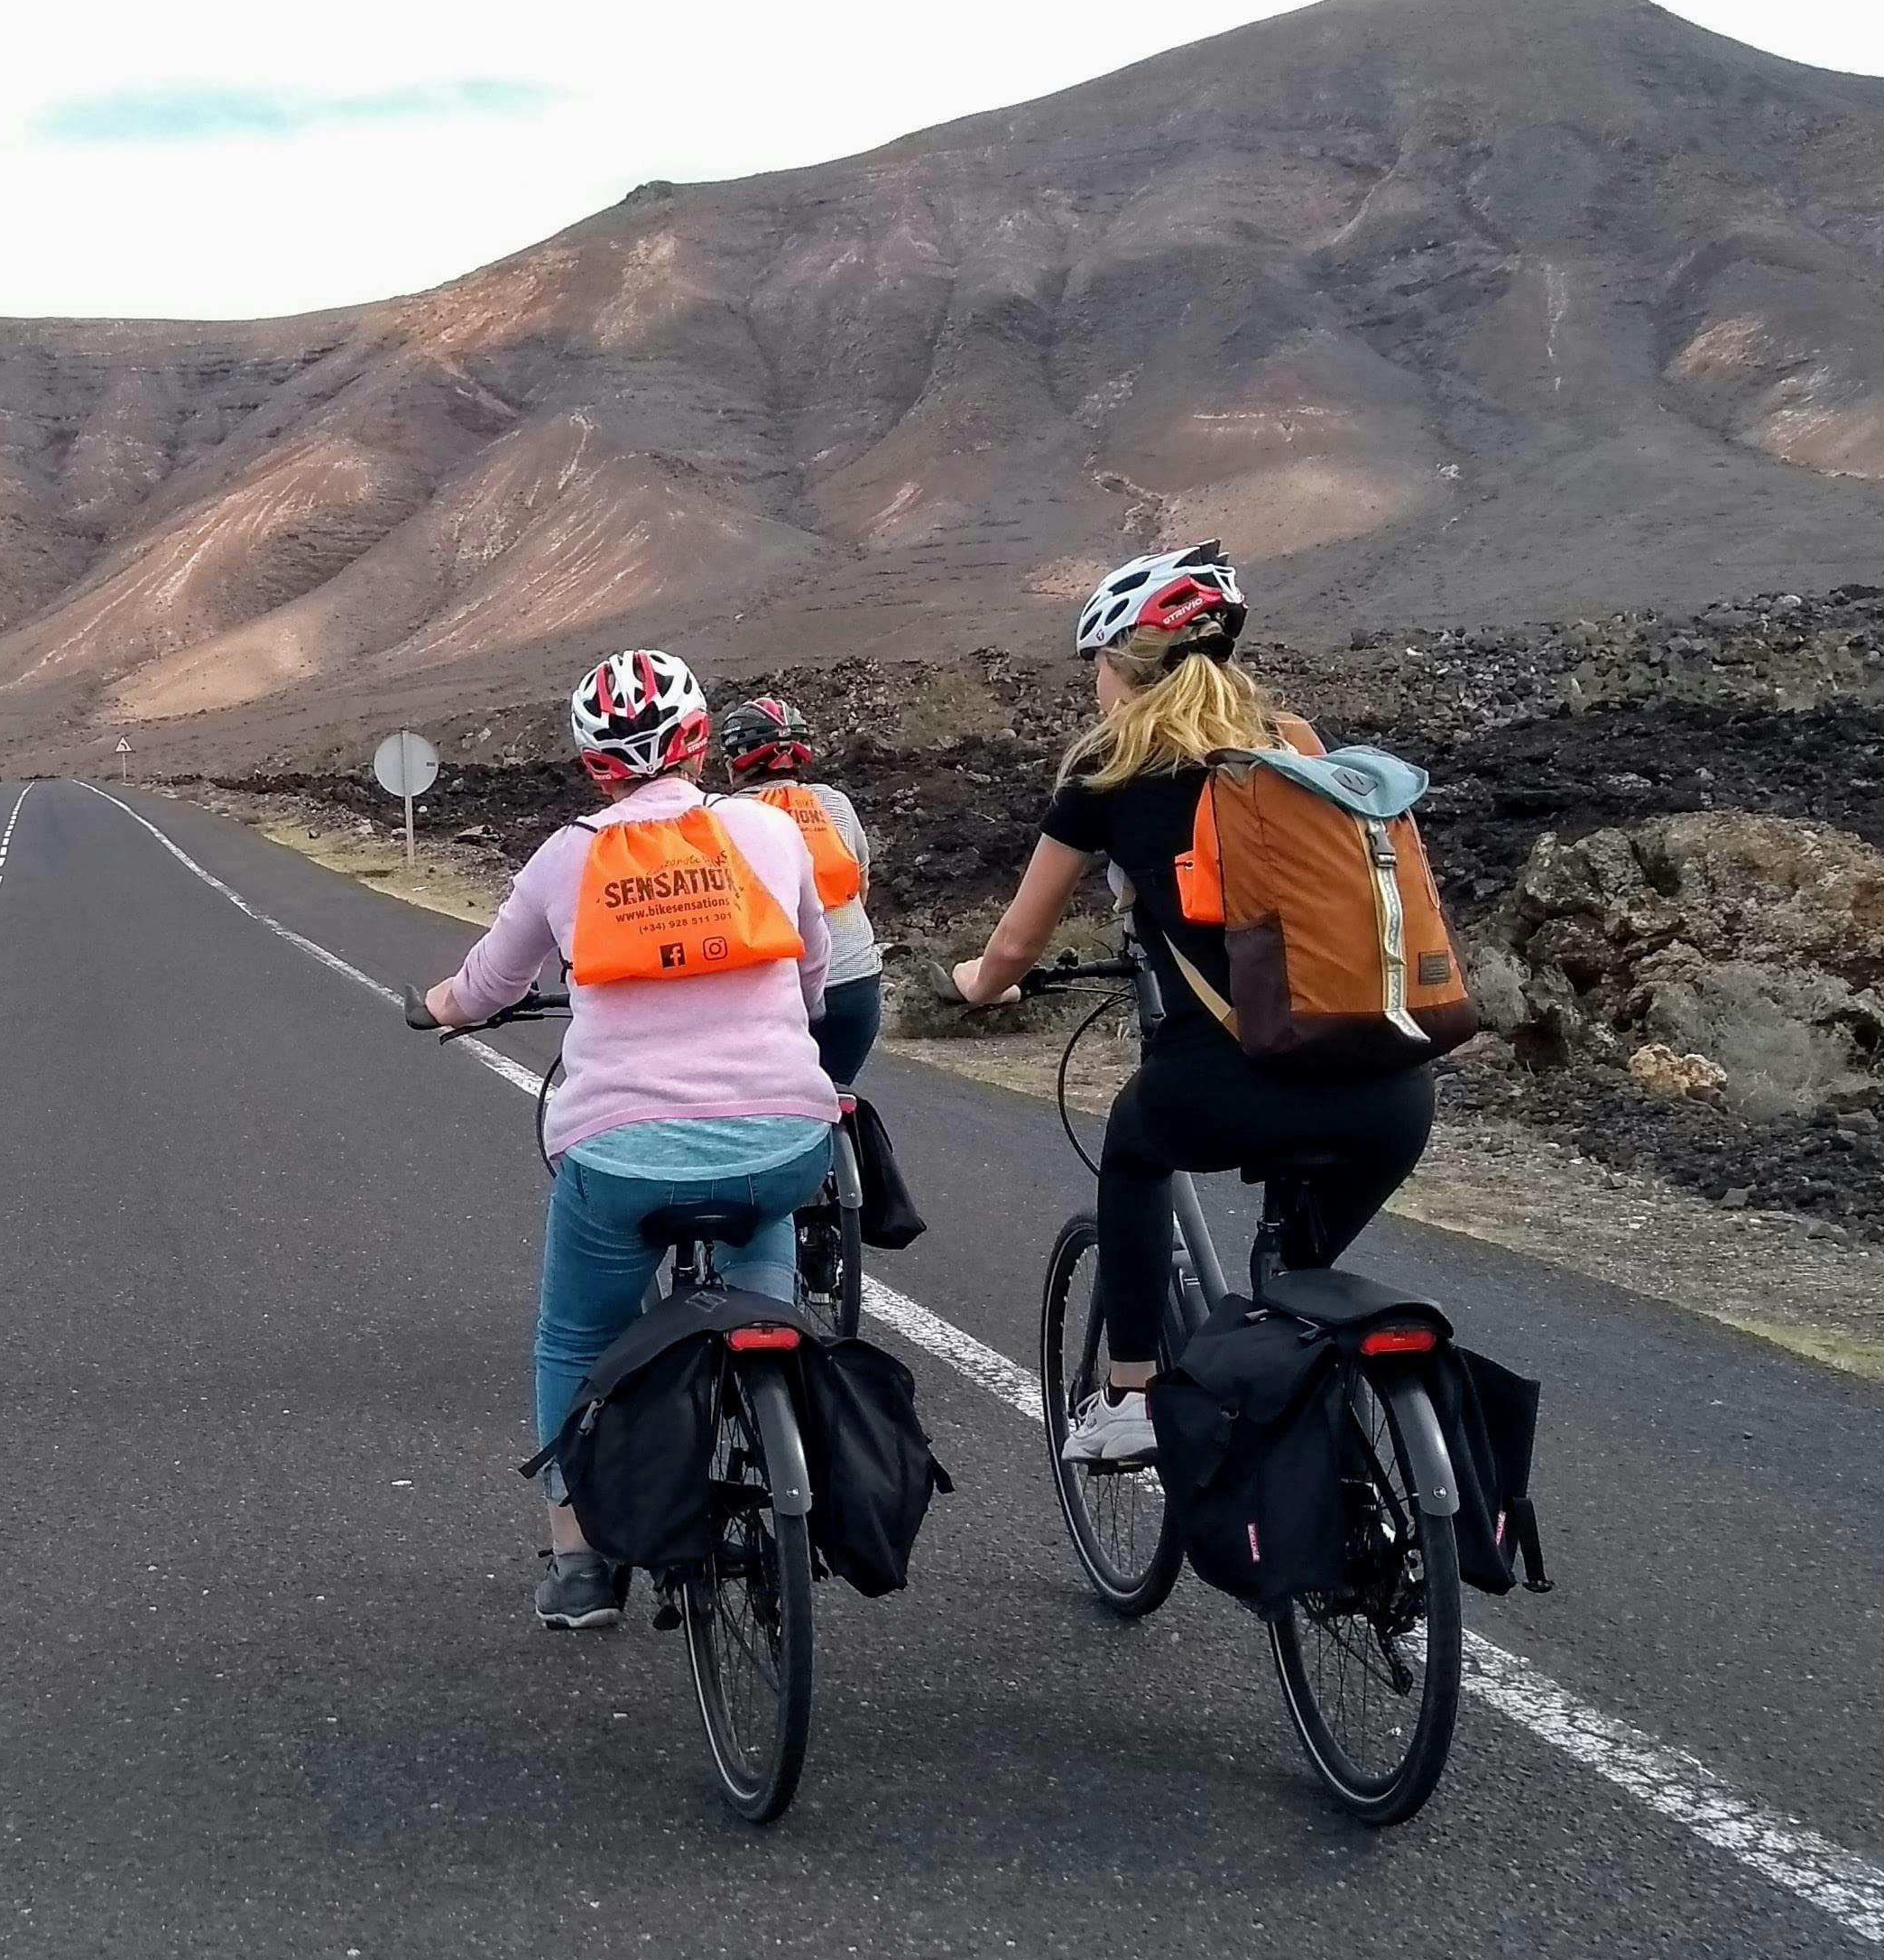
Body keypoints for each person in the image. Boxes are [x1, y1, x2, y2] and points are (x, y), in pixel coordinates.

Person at [942, 541, 1437, 1466]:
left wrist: (980, 984)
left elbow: (1015, 945)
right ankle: (1308, 1426)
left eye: (1096, 663)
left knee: (1135, 1151)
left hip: (1227, 1084)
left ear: (1123, 664)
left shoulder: (1110, 770)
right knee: (1294, 1289)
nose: (1094, 683)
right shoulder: (1297, 746)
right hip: (1393, 1085)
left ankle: (1131, 1396)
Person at [416, 646, 838, 1631]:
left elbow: (486, 987)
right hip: (784, 1136)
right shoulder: (768, 836)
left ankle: (578, 1560)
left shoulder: (569, 852)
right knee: (761, 1242)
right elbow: (814, 969)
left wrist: (435, 1008)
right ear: (698, 739)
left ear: (594, 763)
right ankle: (785, 1470)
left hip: (621, 1155)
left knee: (575, 1335)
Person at [714, 694, 885, 1086]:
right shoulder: (836, 805)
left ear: (731, 765)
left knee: (772, 1108)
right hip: (858, 981)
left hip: (782, 992)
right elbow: (861, 888)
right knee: (836, 1092)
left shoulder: (719, 819)